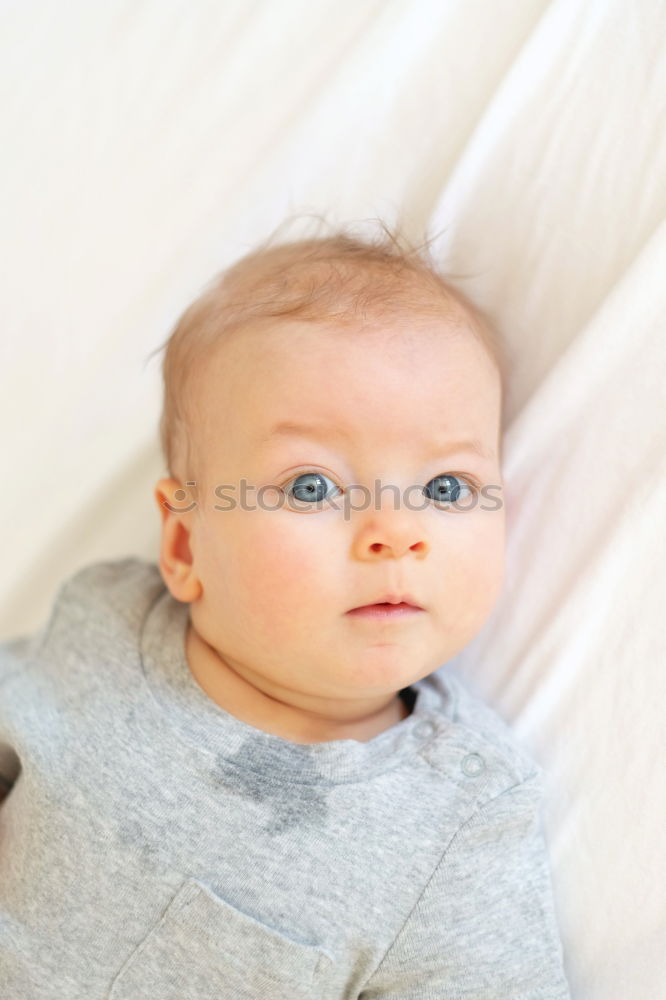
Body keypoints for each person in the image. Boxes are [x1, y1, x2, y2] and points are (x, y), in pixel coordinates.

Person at [0, 223, 572, 998]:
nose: (394, 533)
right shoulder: (104, 627)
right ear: (186, 544)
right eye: (313, 487)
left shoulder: (460, 822)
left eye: (445, 489)